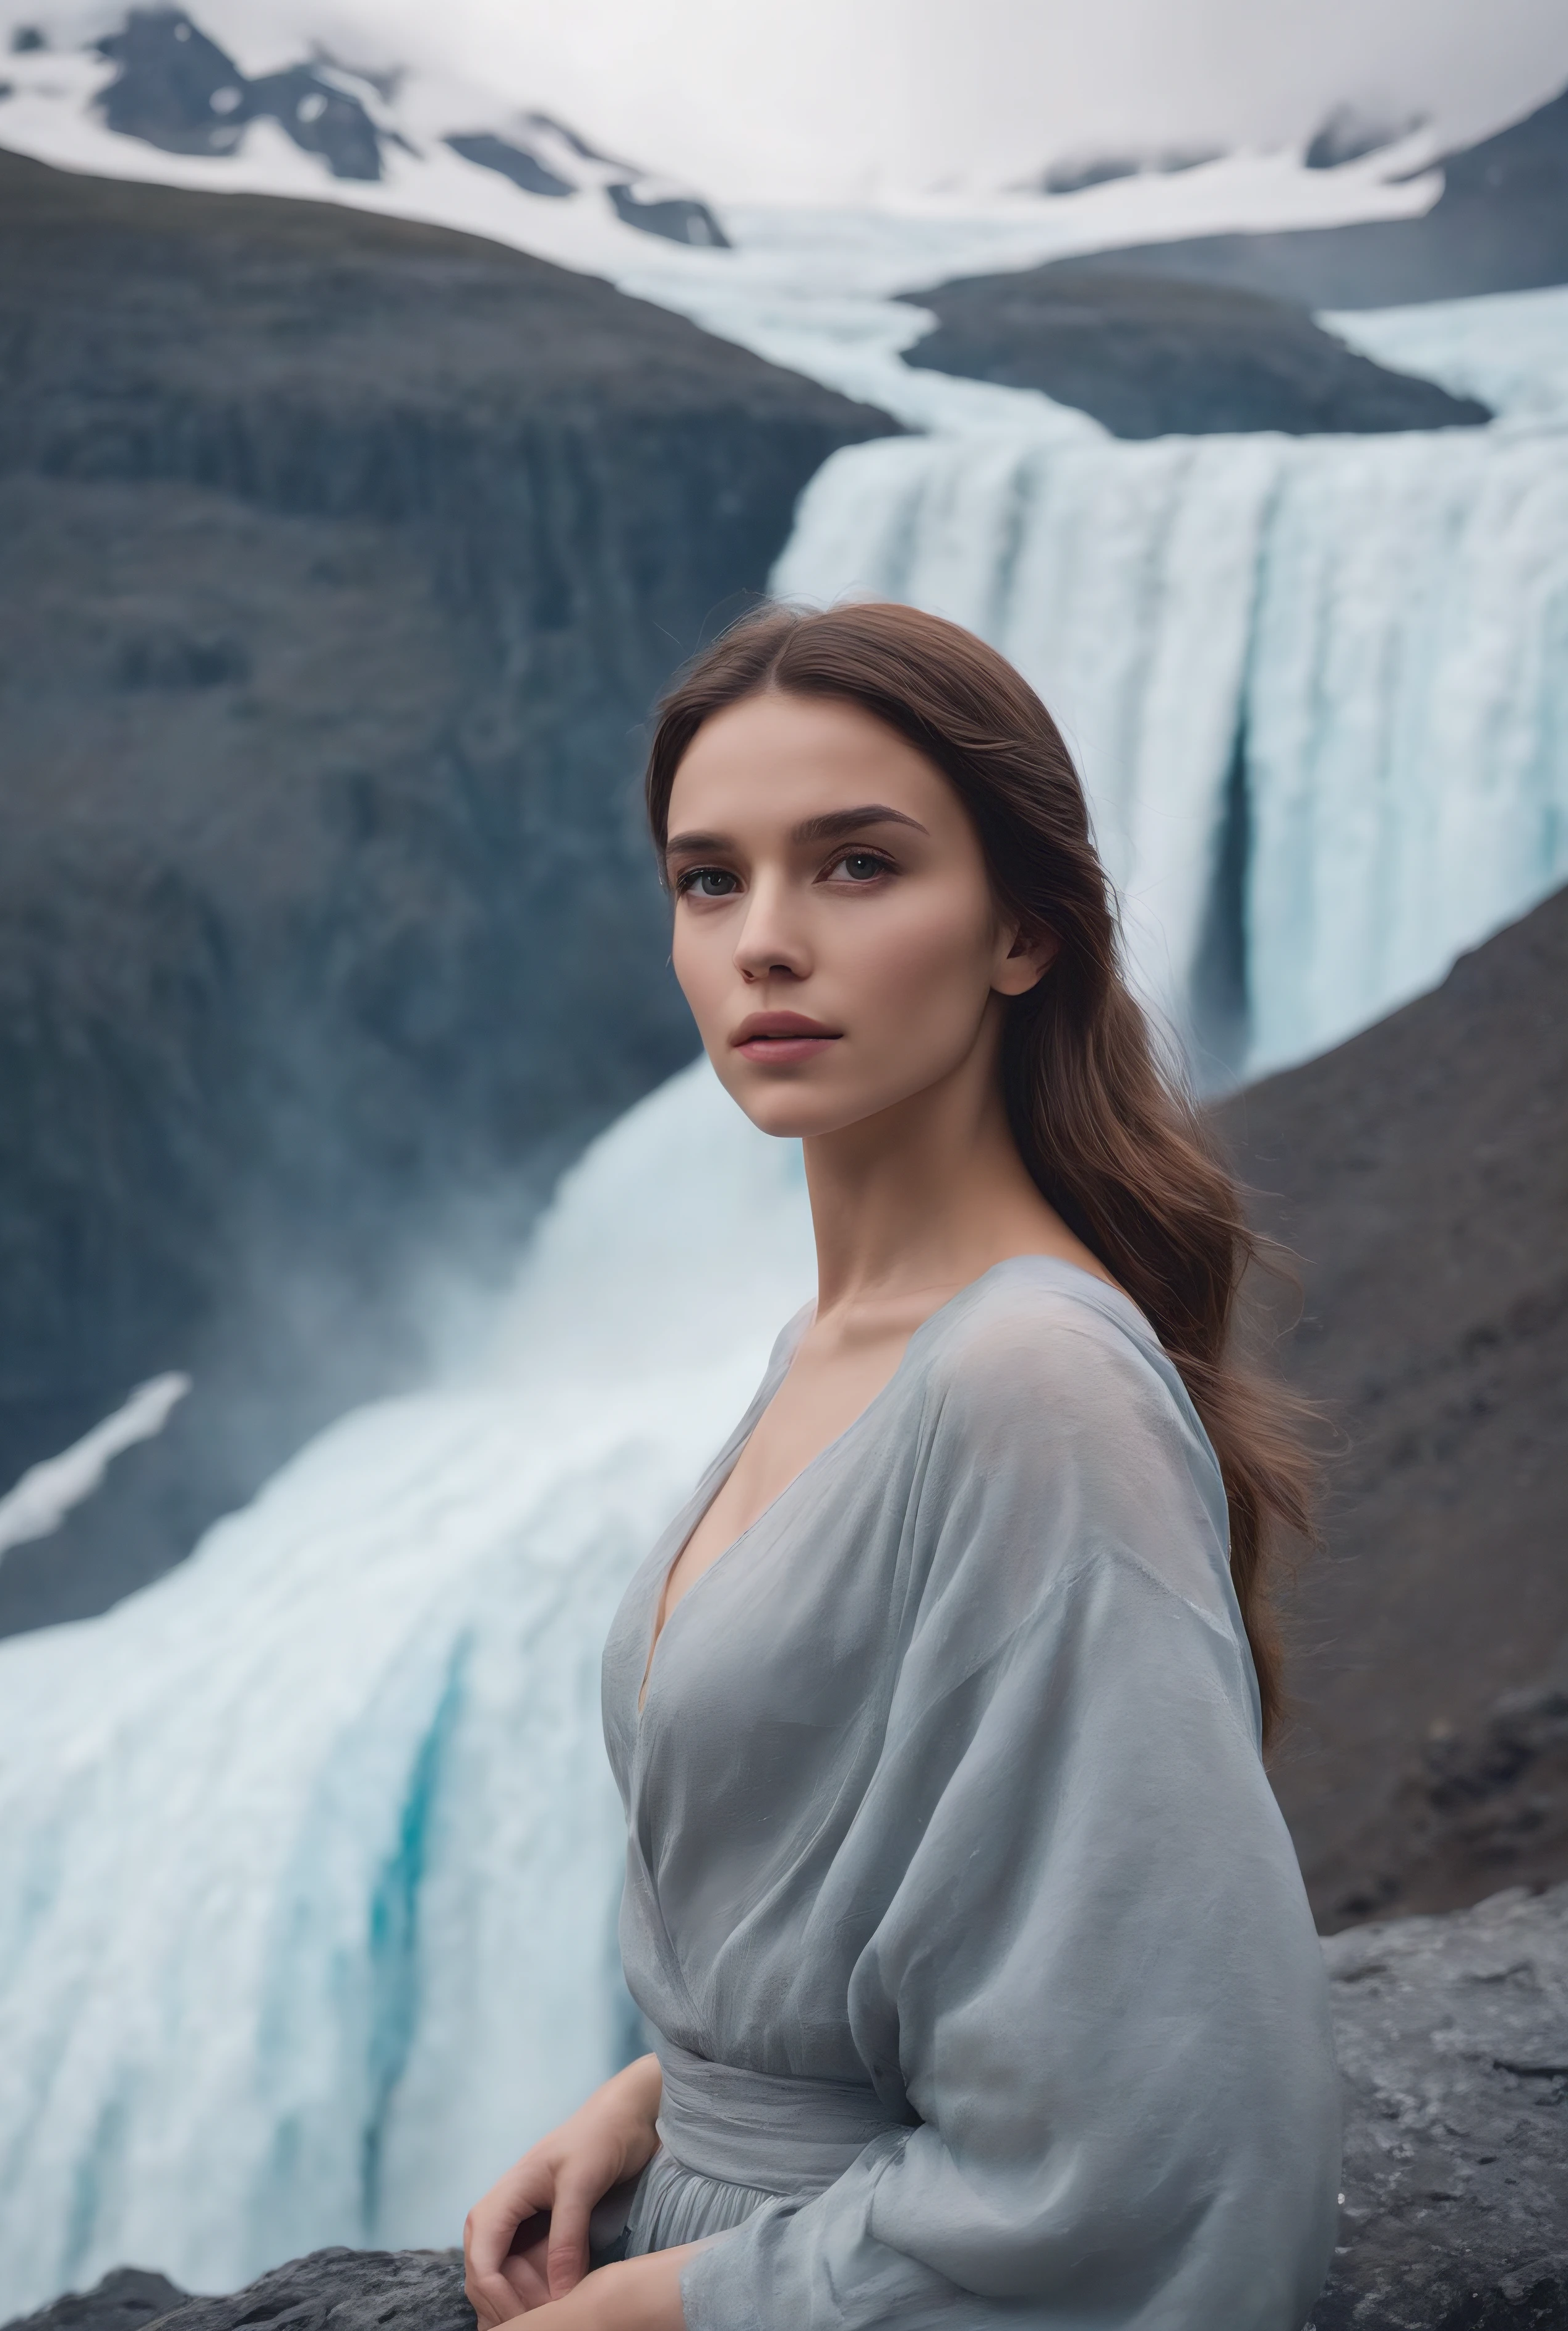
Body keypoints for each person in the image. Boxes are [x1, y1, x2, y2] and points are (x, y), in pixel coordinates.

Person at [463, 603, 1341, 2330]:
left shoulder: (1029, 1382)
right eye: (709, 881)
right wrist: (659, 2106)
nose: (763, 944)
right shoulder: (832, 1347)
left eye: (856, 867)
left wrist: (639, 2310)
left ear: (1022, 929)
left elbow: (1169, 2142)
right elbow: (877, 1902)